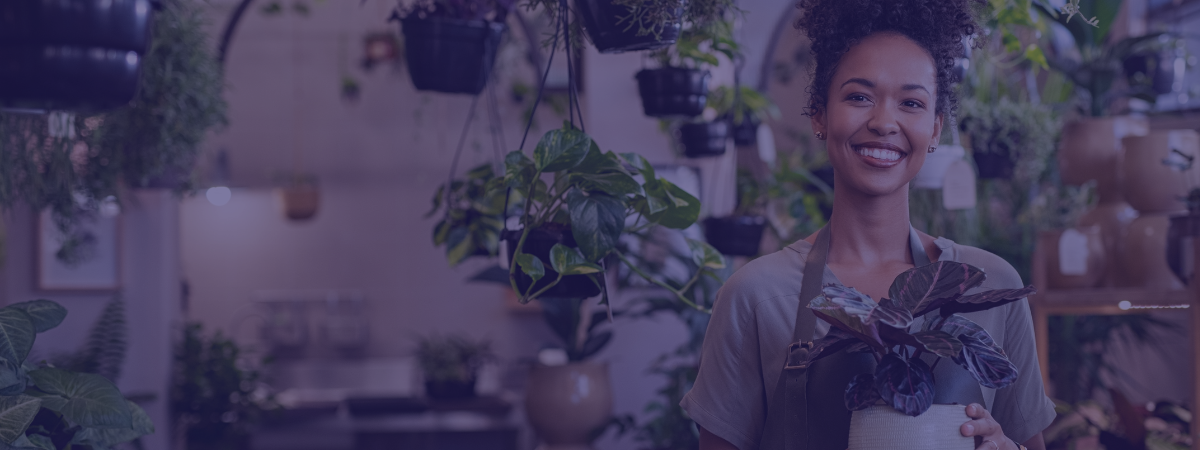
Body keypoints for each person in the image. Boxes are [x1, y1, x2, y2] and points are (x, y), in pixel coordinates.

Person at [680, 1, 1056, 449]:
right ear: (820, 114)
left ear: (935, 129)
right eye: (859, 97)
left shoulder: (989, 286)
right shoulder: (757, 296)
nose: (883, 122)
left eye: (911, 103)